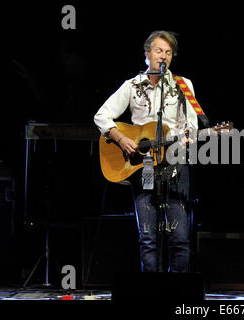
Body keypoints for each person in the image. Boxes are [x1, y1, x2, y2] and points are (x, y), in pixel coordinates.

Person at [94, 30, 198, 273]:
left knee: (180, 238)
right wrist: (120, 139)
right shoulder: (131, 86)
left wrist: (184, 140)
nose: (163, 56)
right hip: (145, 169)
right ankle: (151, 294)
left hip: (175, 166)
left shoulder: (184, 85)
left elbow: (191, 126)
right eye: (159, 51)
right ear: (147, 54)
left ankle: (179, 296)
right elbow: (101, 116)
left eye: (168, 52)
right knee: (148, 239)